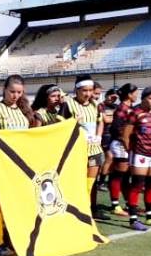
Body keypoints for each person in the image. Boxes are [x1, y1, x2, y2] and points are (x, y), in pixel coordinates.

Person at [0, 75, 36, 256]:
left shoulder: (25, 111)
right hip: (2, 164)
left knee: (21, 202)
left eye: (19, 92)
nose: (15, 95)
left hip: (23, 166)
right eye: (12, 92)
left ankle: (16, 236)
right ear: (5, 90)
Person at [59, 75, 104, 217]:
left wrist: (99, 136)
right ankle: (76, 213)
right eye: (85, 90)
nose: (88, 94)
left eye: (91, 90)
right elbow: (59, 126)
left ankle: (86, 213)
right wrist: (73, 122)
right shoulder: (68, 105)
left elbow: (100, 121)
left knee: (89, 185)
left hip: (93, 150)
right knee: (76, 183)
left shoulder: (95, 105)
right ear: (77, 90)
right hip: (76, 151)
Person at [123, 87, 151, 230]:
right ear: (144, 98)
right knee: (137, 185)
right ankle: (133, 219)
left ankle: (150, 217)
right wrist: (130, 151)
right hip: (140, 154)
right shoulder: (135, 114)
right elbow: (126, 135)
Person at [107, 83, 139, 217]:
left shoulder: (129, 108)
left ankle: (128, 204)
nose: (137, 95)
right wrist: (126, 141)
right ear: (129, 94)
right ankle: (115, 205)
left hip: (126, 144)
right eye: (135, 93)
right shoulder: (122, 109)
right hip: (121, 144)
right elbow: (116, 128)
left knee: (125, 176)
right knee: (118, 175)